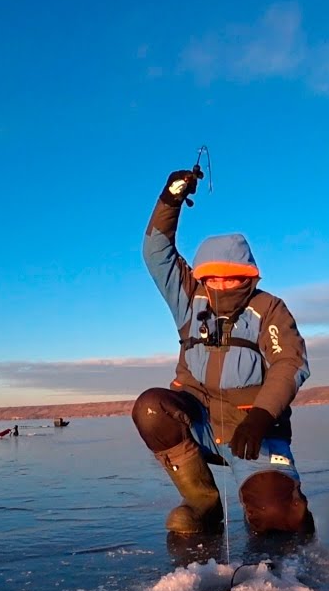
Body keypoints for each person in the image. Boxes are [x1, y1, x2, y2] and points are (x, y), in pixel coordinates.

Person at [132, 168, 313, 537]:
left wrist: (261, 416)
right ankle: (203, 504)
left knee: (279, 519)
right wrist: (171, 198)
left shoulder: (269, 309)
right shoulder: (189, 299)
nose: (221, 285)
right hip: (197, 420)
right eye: (212, 277)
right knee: (151, 408)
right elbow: (156, 252)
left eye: (231, 277)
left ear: (248, 276)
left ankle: (283, 514)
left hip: (253, 429)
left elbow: (289, 362)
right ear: (202, 276)